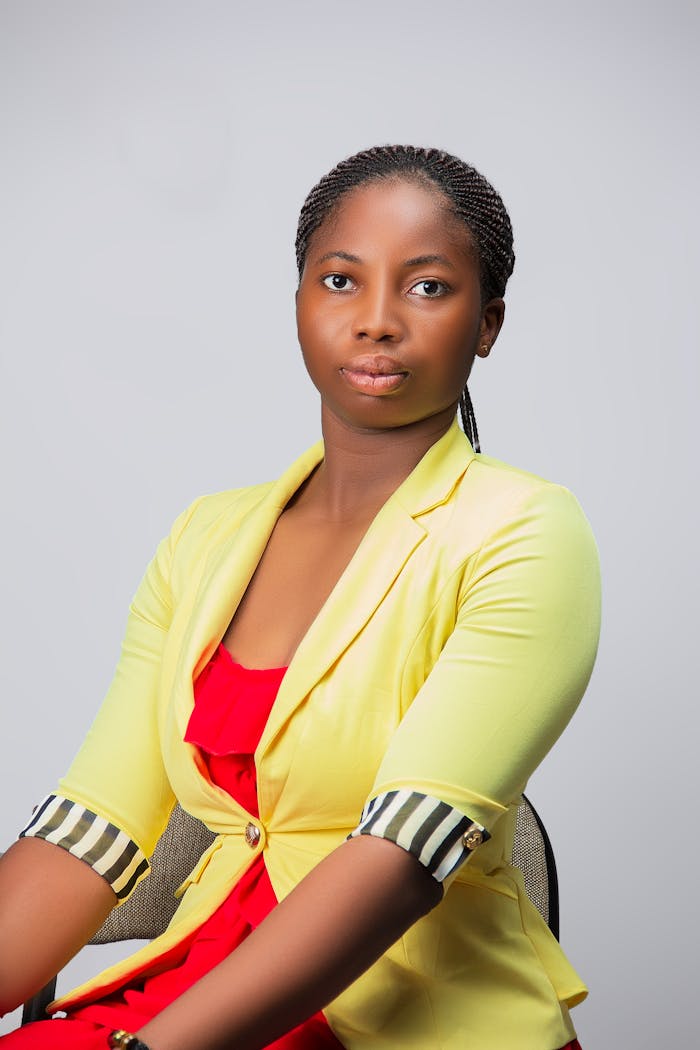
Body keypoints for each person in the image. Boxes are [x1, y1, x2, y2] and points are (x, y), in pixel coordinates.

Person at [0, 145, 601, 1050]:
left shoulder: (527, 531)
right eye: (339, 281)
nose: (377, 322)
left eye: (429, 287)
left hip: (395, 1014)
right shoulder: (204, 537)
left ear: (489, 323)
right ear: (298, 306)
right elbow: (93, 831)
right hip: (197, 979)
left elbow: (402, 857)